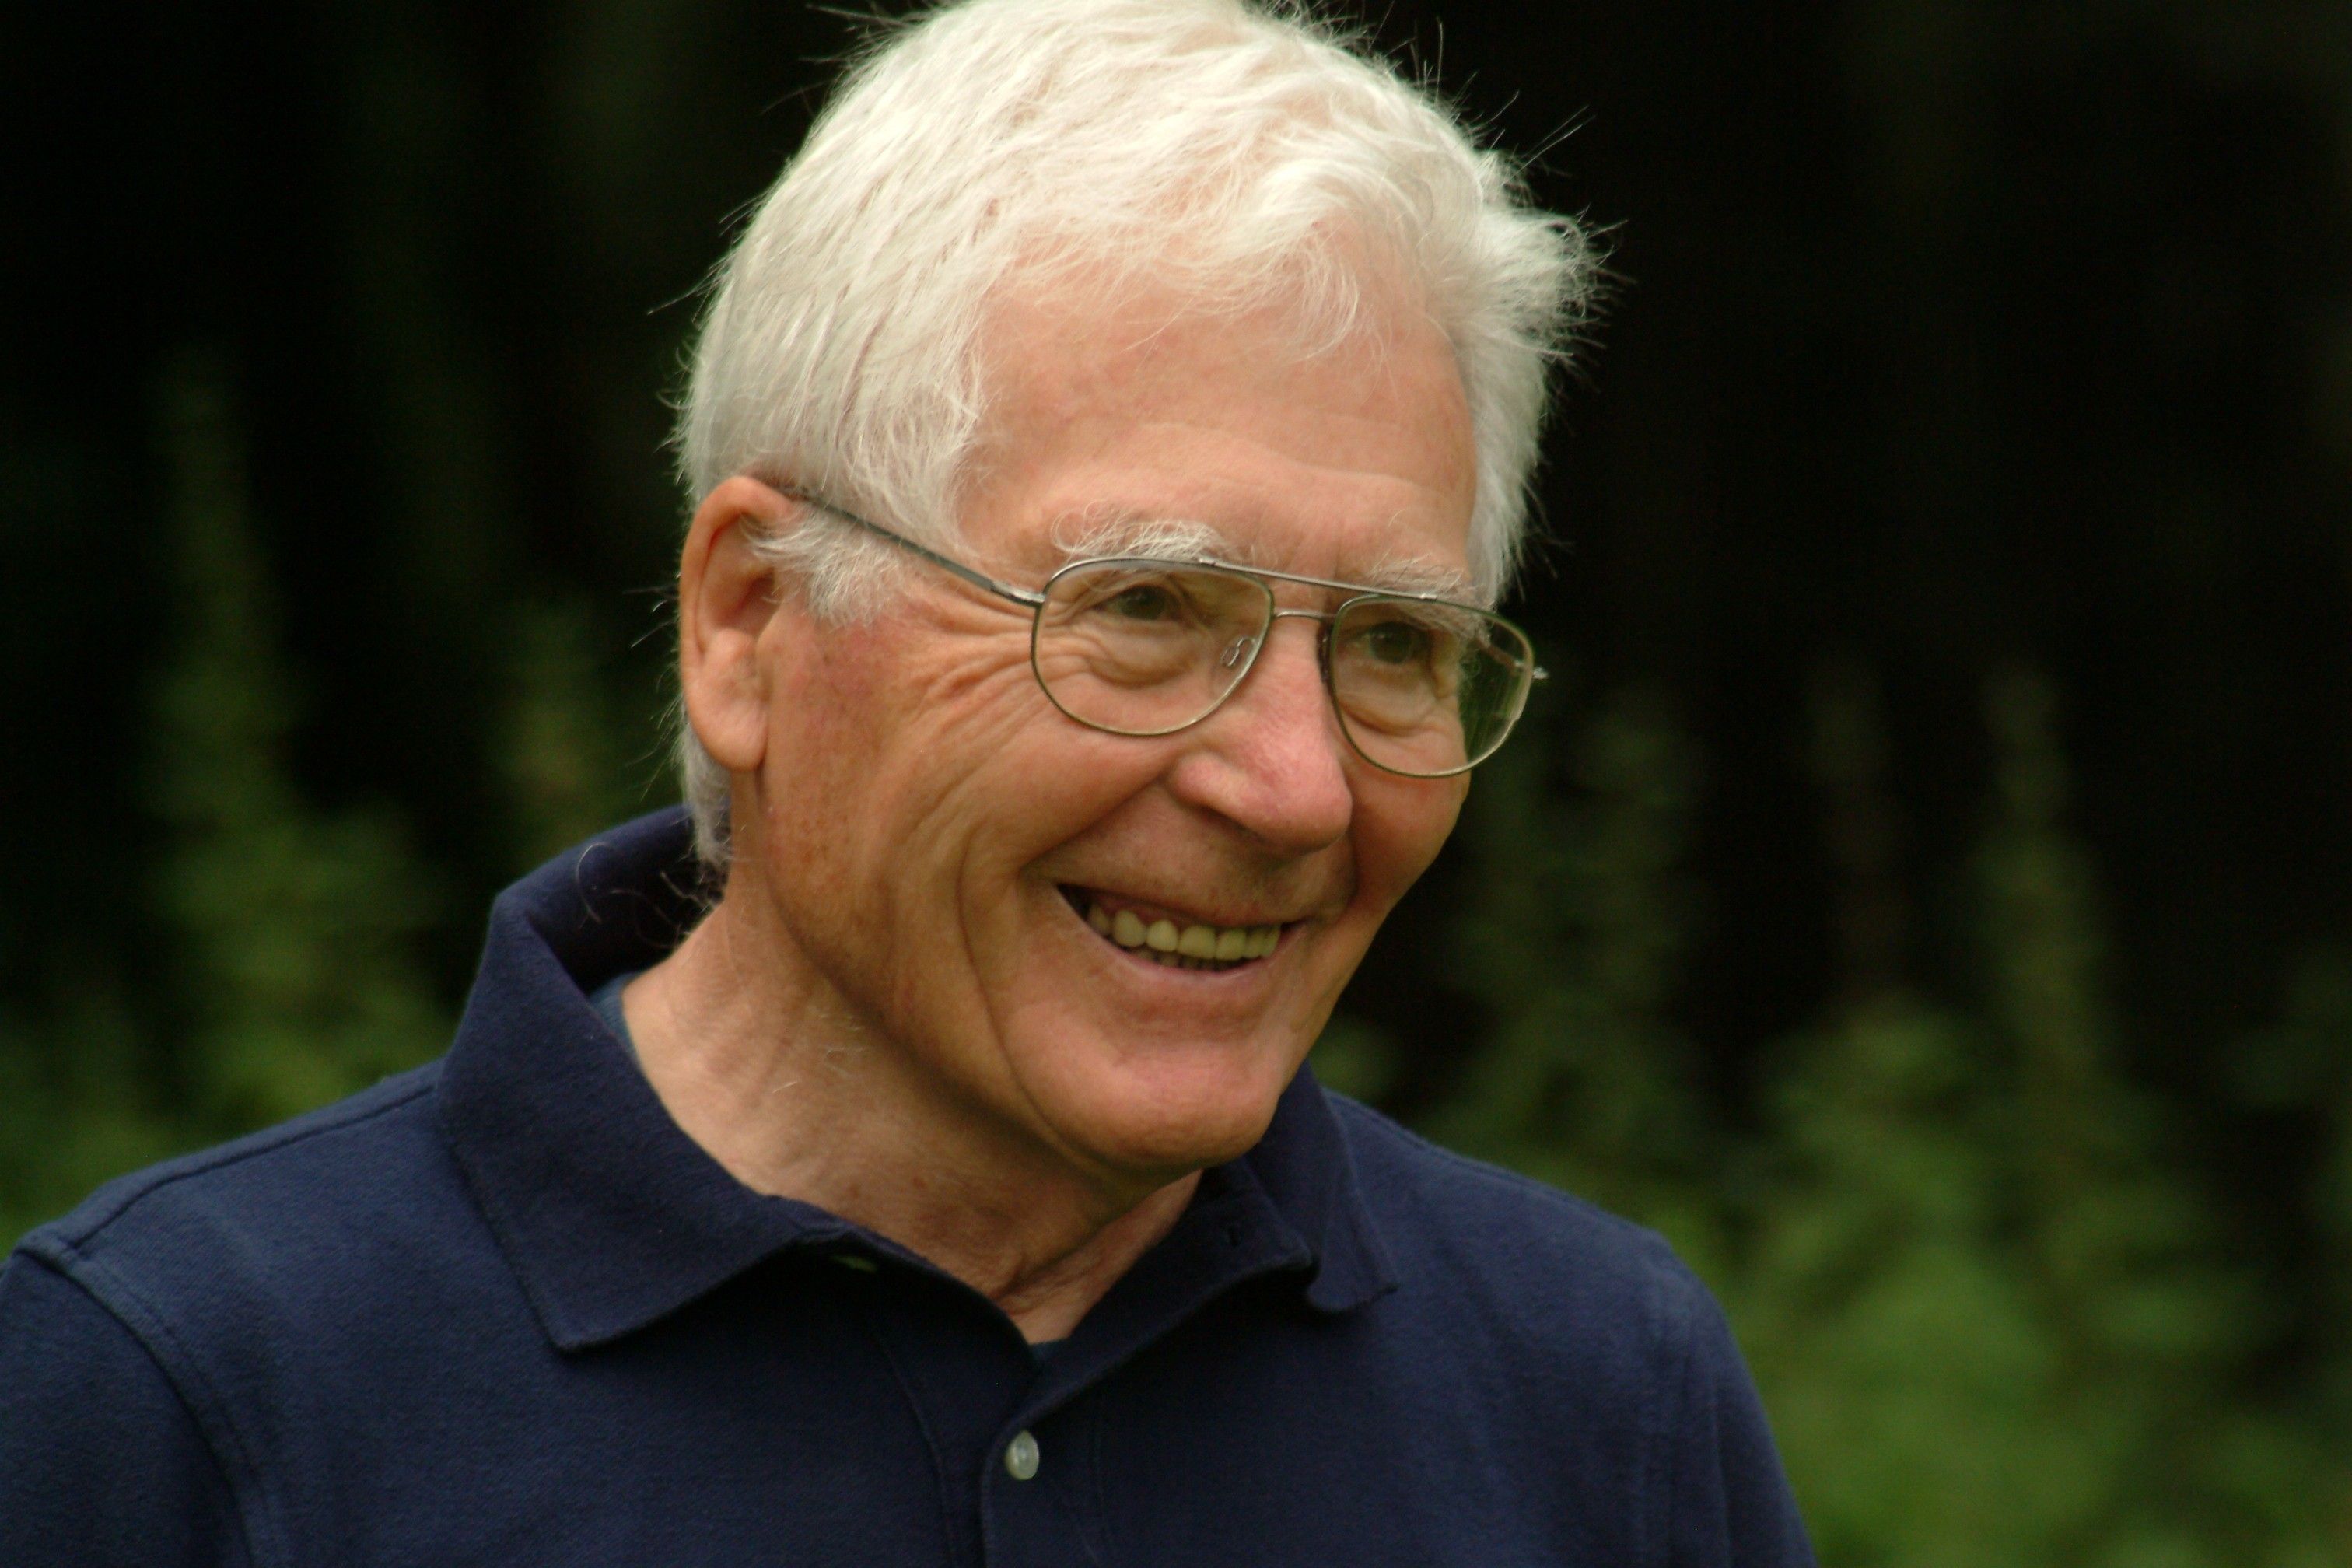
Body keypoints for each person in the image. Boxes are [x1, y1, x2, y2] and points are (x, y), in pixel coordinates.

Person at [0, 2, 1814, 1562]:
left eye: (1396, 644)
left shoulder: (1602, 1404)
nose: (1299, 791)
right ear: (750, 625)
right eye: (1146, 610)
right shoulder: (178, 1403)